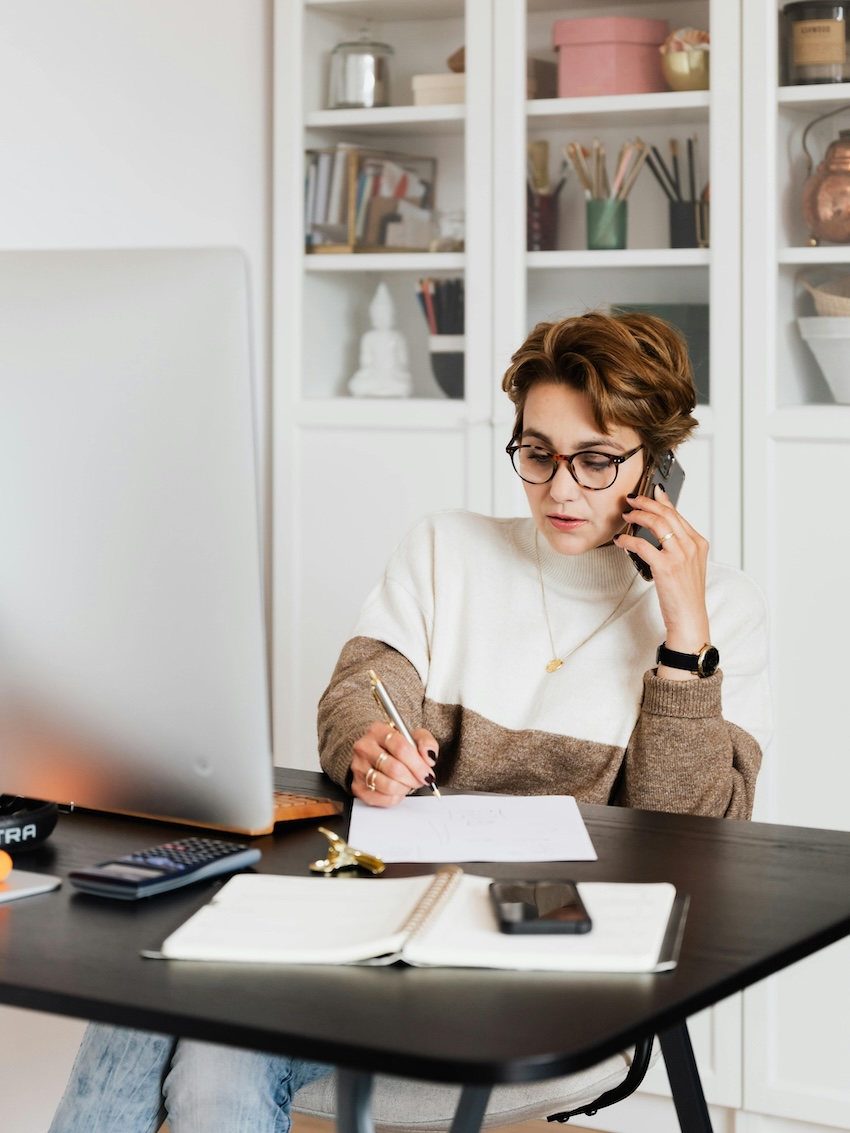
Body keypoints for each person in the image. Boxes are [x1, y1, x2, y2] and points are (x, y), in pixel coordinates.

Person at [48, 311, 772, 1133]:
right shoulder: (446, 550)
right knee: (168, 977)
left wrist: (682, 640)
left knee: (201, 1031)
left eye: (597, 460)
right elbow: (360, 691)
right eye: (536, 453)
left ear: (661, 465)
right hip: (378, 925)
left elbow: (695, 840)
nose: (561, 488)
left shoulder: (721, 615)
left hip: (554, 966)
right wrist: (369, 747)